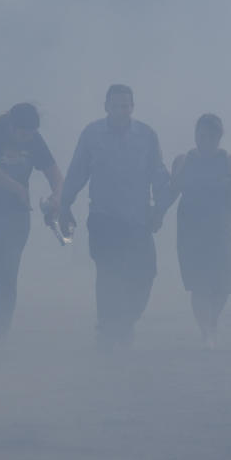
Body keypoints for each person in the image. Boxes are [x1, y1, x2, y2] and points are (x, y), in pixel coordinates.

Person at [59, 84, 172, 351]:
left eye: (126, 106)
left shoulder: (146, 136)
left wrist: (160, 210)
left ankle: (126, 321)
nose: (122, 111)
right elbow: (77, 172)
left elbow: (159, 175)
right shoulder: (92, 134)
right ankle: (109, 329)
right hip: (104, 219)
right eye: (116, 105)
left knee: (146, 274)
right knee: (109, 275)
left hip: (138, 221)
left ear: (132, 107)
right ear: (106, 107)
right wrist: (64, 205)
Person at [0, 103, 63, 349]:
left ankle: (2, 333)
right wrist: (17, 188)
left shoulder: (35, 139)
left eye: (31, 134)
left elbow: (55, 174)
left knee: (7, 274)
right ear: (11, 126)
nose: (27, 139)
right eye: (23, 134)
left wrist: (57, 196)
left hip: (14, 218)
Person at [168, 114, 231, 349]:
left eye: (211, 137)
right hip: (190, 231)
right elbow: (172, 191)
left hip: (221, 231)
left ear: (219, 137)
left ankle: (212, 323)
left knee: (222, 285)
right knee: (199, 284)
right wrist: (155, 215)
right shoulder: (183, 160)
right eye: (201, 136)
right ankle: (206, 333)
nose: (205, 141)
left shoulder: (230, 163)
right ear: (195, 135)